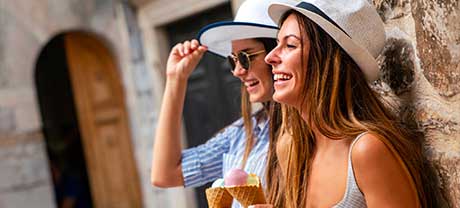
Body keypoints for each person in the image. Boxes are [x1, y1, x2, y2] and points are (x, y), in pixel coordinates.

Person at [260, 0, 436, 207]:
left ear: (328, 61)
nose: (270, 57)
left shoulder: (367, 151)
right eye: (277, 44)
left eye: (290, 45)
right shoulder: (291, 147)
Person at [150, 0, 294, 207]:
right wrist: (175, 80)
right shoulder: (243, 133)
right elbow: (165, 174)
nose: (237, 71)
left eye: (245, 57)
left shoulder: (315, 128)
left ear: (276, 53)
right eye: (233, 60)